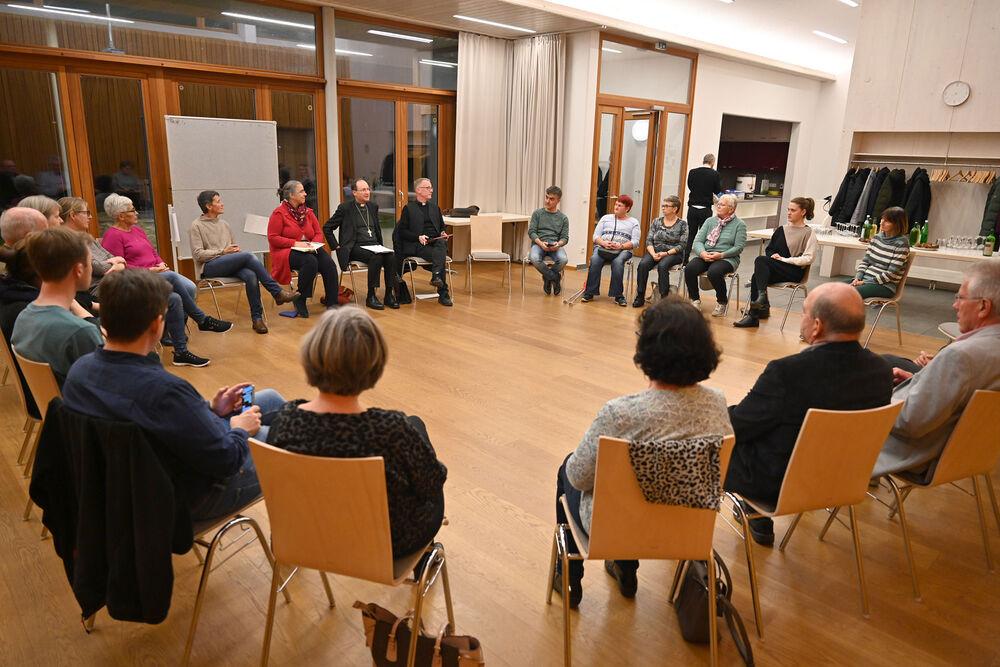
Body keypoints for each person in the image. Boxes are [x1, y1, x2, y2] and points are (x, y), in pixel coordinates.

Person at [61, 269, 286, 521]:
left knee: (270, 399)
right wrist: (240, 430)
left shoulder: (79, 371)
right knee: (285, 438)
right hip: (183, 497)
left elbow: (163, 420)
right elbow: (226, 460)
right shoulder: (165, 390)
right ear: (157, 325)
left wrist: (211, 411)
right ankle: (300, 529)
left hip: (124, 488)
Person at [553, 296, 732, 607]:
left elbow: (579, 478)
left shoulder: (620, 413)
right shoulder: (717, 402)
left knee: (567, 468)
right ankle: (624, 569)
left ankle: (569, 578)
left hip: (614, 530)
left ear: (646, 349)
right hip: (688, 530)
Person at [268, 307, 447, 557]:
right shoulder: (392, 430)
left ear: (311, 355)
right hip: (386, 546)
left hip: (308, 538)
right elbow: (432, 483)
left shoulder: (286, 420)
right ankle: (425, 557)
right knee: (416, 429)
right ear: (374, 365)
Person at [725, 283, 893, 545]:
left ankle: (689, 545)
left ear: (817, 326)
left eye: (803, 312)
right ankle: (753, 514)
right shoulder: (881, 370)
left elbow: (737, 426)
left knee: (705, 441)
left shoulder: (788, 372)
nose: (801, 318)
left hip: (779, 486)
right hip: (845, 479)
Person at [872, 263, 1000, 482]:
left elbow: (911, 422)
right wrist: (920, 380)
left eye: (960, 298)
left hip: (912, 454)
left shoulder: (960, 356)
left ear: (983, 307)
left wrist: (872, 401)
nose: (954, 305)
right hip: (968, 453)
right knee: (884, 365)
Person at [101, 194, 222, 366]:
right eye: (133, 210)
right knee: (172, 277)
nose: (137, 213)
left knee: (186, 291)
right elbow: (119, 269)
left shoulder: (137, 230)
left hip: (156, 274)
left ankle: (177, 344)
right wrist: (149, 270)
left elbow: (152, 252)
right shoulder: (112, 236)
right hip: (135, 281)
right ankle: (201, 319)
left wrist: (161, 263)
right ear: (120, 216)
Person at [190, 190, 298, 334]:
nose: (222, 204)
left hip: (227, 263)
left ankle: (257, 319)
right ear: (208, 206)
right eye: (218, 201)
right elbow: (198, 255)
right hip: (209, 266)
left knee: (251, 275)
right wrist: (223, 252)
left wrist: (234, 252)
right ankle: (276, 292)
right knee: (248, 256)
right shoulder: (196, 226)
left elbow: (232, 248)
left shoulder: (225, 224)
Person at [11, 227, 102, 385]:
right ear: (79, 270)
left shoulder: (23, 316)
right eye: (90, 262)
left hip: (52, 400)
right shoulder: (79, 332)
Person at [734, 196, 818, 327]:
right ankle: (757, 312)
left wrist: (785, 259)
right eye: (788, 209)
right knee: (756, 276)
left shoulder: (808, 233)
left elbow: (809, 258)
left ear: (803, 212)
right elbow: (770, 249)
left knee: (760, 261)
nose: (789, 213)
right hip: (778, 268)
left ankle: (759, 307)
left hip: (794, 271)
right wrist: (773, 255)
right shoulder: (781, 229)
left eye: (793, 210)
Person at [323, 178, 398, 311]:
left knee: (391, 256)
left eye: (368, 189)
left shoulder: (373, 207)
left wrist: (380, 245)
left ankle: (389, 295)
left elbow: (376, 229)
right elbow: (327, 228)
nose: (367, 192)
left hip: (374, 245)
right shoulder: (345, 208)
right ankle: (371, 296)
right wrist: (336, 246)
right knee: (376, 257)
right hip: (355, 247)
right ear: (354, 193)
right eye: (363, 190)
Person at [268, 179, 339, 318]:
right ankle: (300, 298)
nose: (305, 194)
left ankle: (332, 303)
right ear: (291, 195)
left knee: (329, 264)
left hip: (309, 248)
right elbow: (273, 238)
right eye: (301, 191)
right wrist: (295, 243)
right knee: (310, 262)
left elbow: (318, 233)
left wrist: (313, 245)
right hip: (286, 251)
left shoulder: (308, 212)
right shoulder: (279, 213)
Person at [683, 194, 747, 317]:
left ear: (731, 209)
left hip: (727, 258)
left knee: (714, 272)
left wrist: (721, 255)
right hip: (706, 254)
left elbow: (739, 247)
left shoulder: (740, 224)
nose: (718, 206)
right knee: (690, 268)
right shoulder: (710, 221)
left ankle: (722, 302)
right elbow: (698, 241)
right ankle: (695, 300)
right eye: (718, 204)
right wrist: (702, 253)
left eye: (722, 205)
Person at [393, 178, 452, 307]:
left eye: (431, 187)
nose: (431, 190)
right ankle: (443, 293)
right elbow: (402, 232)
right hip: (418, 245)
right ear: (418, 190)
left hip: (435, 243)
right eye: (428, 188)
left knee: (441, 244)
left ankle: (436, 276)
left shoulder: (435, 208)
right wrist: (418, 237)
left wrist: (443, 233)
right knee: (440, 256)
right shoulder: (409, 208)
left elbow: (441, 227)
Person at [58, 196, 126, 300]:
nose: (90, 217)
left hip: (112, 282)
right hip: (96, 291)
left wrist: (121, 263)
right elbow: (98, 267)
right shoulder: (66, 241)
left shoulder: (87, 237)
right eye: (87, 213)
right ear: (73, 215)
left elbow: (112, 257)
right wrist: (119, 263)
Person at [581, 194, 640, 306]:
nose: (616, 207)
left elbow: (636, 242)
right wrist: (604, 243)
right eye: (616, 204)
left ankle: (618, 295)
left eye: (620, 206)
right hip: (603, 247)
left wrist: (621, 246)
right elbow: (595, 236)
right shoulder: (605, 218)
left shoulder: (633, 222)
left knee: (617, 262)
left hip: (623, 250)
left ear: (627, 208)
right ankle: (590, 292)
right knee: (595, 260)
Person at [632, 196, 688, 307]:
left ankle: (664, 299)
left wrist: (666, 253)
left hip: (673, 253)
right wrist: (653, 253)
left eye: (666, 206)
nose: (663, 208)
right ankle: (640, 296)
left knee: (663, 266)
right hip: (655, 251)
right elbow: (649, 240)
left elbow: (682, 245)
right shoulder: (656, 221)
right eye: (663, 205)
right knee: (643, 265)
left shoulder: (682, 224)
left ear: (675, 209)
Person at [846, 206, 910, 299]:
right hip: (863, 280)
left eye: (887, 221)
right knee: (831, 289)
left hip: (884, 286)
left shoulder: (902, 243)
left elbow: (891, 273)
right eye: (882, 219)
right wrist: (857, 278)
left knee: (847, 294)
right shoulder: (877, 238)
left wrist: (864, 282)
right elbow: (865, 262)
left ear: (897, 224)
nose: (881, 222)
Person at [527, 186, 570, 296]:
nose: (547, 201)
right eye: (546, 197)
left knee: (563, 259)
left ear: (558, 201)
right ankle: (554, 277)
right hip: (539, 244)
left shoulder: (563, 218)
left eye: (551, 199)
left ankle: (547, 278)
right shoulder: (537, 214)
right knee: (534, 258)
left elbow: (565, 238)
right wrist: (541, 243)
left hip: (555, 245)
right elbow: (531, 232)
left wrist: (558, 244)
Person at [685, 153, 721, 261]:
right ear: (713, 163)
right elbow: (717, 190)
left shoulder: (692, 172)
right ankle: (701, 260)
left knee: (690, 235)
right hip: (705, 209)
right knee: (705, 236)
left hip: (692, 208)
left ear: (703, 161)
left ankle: (685, 260)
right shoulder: (715, 174)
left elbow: (690, 186)